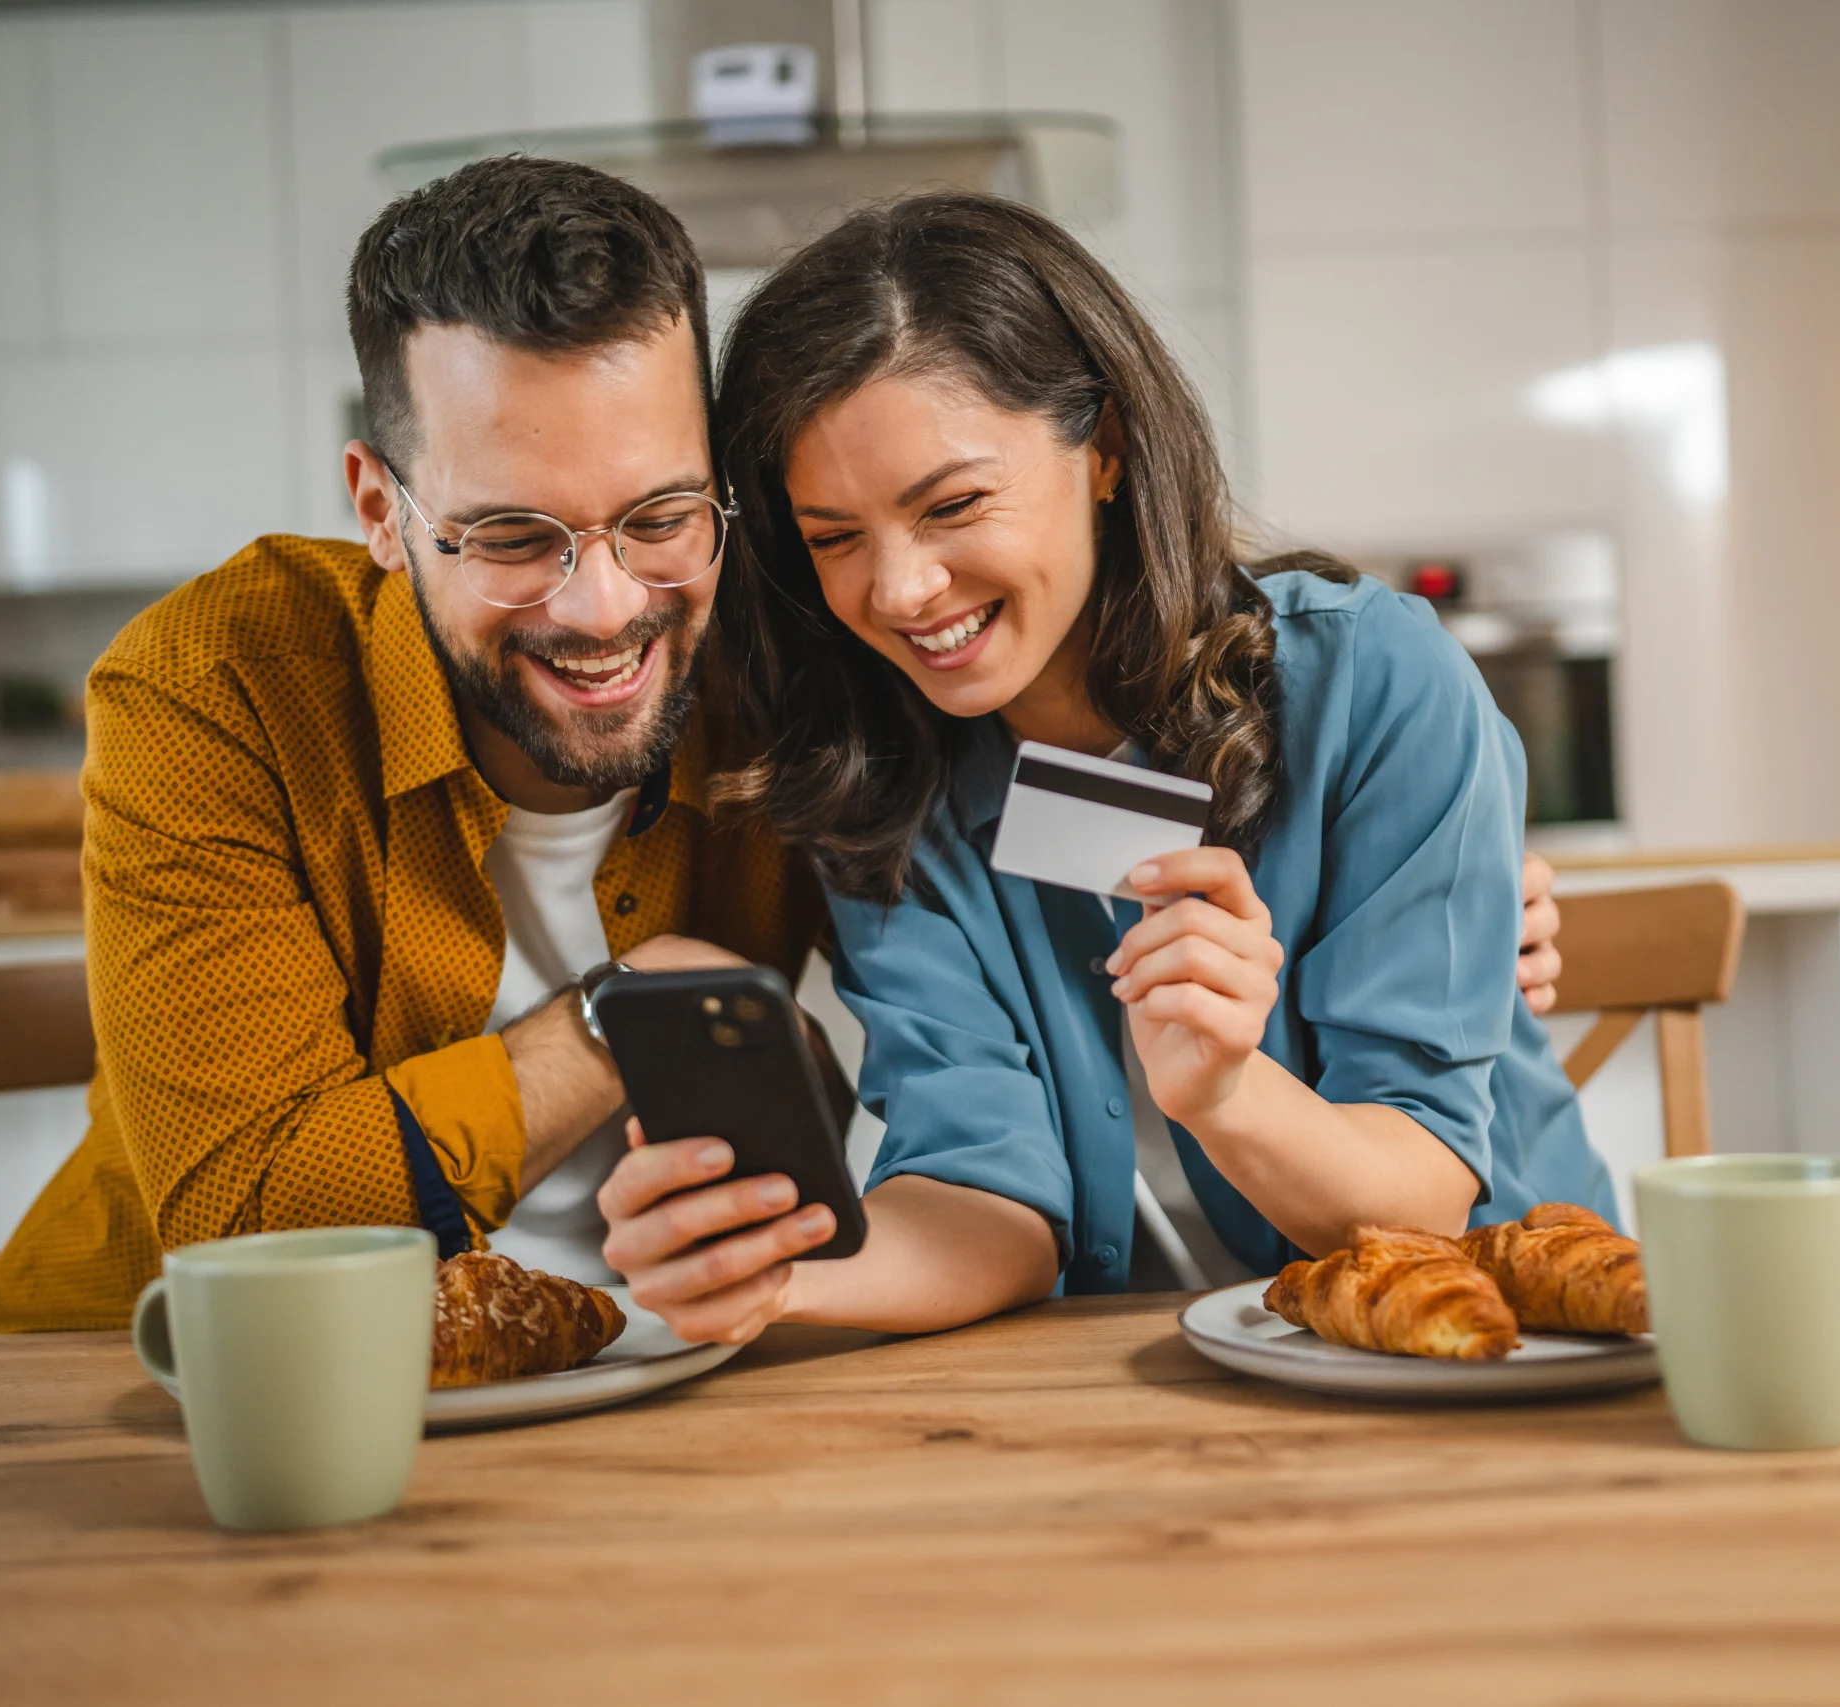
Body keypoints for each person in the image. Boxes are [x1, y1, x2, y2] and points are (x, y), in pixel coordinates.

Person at [0, 158, 1566, 1335]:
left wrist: (1462, 881)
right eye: (514, 532)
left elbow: (1410, 1126)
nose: (602, 605)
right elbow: (981, 1171)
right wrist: (645, 1055)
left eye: (661, 517)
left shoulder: (811, 681)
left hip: (1400, 1345)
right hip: (209, 1366)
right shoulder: (222, 689)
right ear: (383, 507)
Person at [597, 193, 1615, 1348]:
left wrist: (1226, 1092)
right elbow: (984, 1186)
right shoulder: (879, 776)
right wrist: (784, 1277)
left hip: (1484, 1344)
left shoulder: (1374, 680)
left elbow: (1419, 1200)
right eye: (834, 537)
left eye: (955, 504)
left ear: (1107, 449)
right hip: (1125, 1381)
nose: (899, 590)